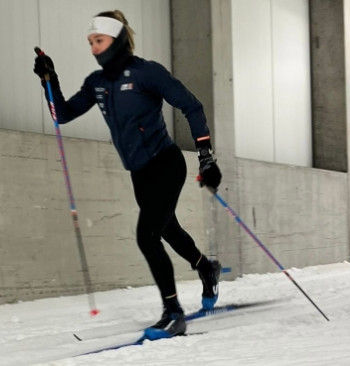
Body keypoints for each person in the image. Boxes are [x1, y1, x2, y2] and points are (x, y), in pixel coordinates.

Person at [33, 10, 222, 337]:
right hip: (139, 172)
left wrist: (205, 155)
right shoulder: (97, 84)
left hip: (166, 163)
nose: (93, 47)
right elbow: (61, 114)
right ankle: (207, 268)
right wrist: (49, 80)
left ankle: (173, 312)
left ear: (117, 39)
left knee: (146, 235)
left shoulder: (147, 73)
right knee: (167, 229)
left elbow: (192, 106)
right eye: (90, 42)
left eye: (99, 40)